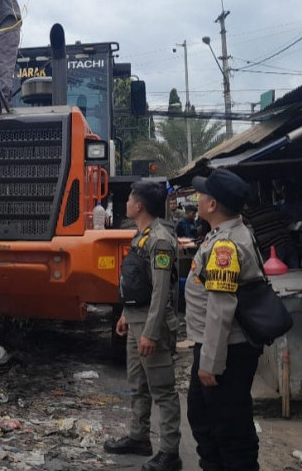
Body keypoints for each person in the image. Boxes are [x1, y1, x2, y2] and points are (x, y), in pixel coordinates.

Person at [185, 169, 263, 470]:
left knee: (229, 430)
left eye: (202, 194)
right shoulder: (224, 235)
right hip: (217, 346)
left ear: (213, 205)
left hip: (225, 350)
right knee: (205, 420)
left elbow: (220, 307)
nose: (198, 198)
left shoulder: (225, 246)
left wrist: (211, 363)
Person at [105, 180, 182, 471]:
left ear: (139, 206)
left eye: (129, 200)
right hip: (136, 321)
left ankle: (170, 452)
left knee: (162, 390)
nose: (125, 204)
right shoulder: (142, 236)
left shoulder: (160, 239)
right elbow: (139, 284)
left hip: (153, 327)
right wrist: (126, 314)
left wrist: (150, 331)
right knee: (138, 384)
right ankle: (139, 437)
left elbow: (162, 292)